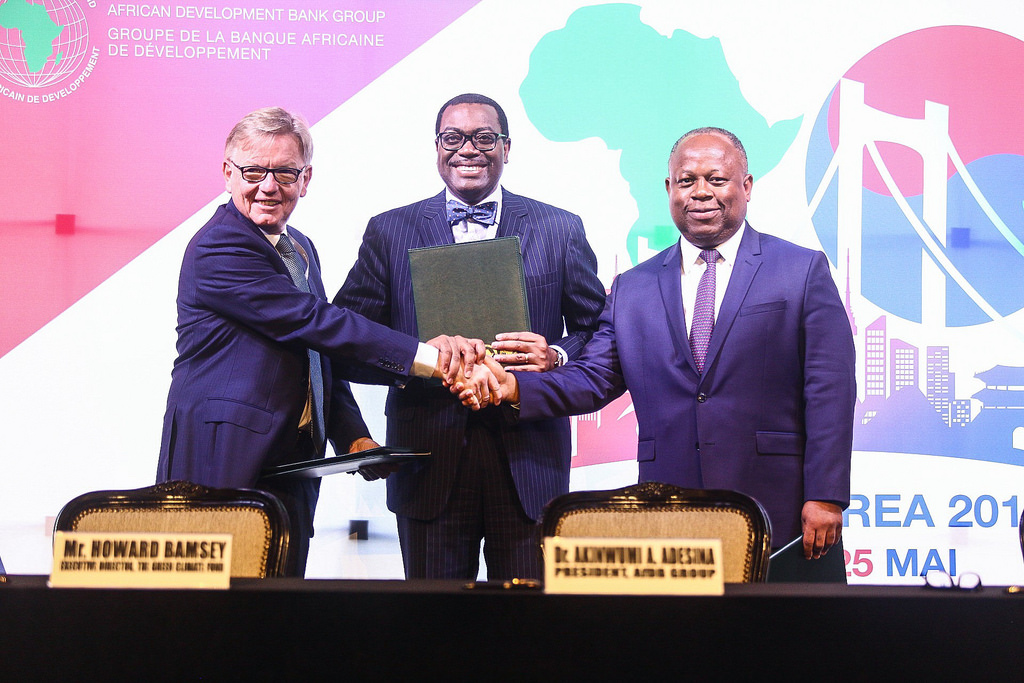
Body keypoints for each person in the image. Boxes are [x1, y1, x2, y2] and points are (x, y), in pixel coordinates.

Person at [477, 127, 856, 581]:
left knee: (793, 647)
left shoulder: (801, 269)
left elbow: (830, 391)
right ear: (669, 189)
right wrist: (515, 386)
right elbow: (595, 375)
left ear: (747, 186)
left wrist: (826, 494)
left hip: (780, 509)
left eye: (716, 180)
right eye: (686, 180)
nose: (700, 193)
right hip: (670, 515)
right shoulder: (633, 286)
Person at [156, 107, 489, 576]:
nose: (268, 186)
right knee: (215, 620)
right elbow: (317, 322)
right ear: (227, 173)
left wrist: (352, 437)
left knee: (279, 612)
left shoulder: (300, 248)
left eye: (284, 172)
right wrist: (432, 358)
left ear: (305, 178)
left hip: (292, 466)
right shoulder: (220, 246)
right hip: (223, 461)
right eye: (253, 171)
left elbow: (319, 352)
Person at [333, 93, 606, 580]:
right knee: (435, 635)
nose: (468, 150)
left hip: (529, 461)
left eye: (484, 138)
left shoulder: (560, 228)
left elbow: (596, 329)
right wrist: (416, 357)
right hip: (427, 459)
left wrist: (557, 354)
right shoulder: (389, 231)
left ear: (506, 147)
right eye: (453, 138)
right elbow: (347, 342)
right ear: (437, 147)